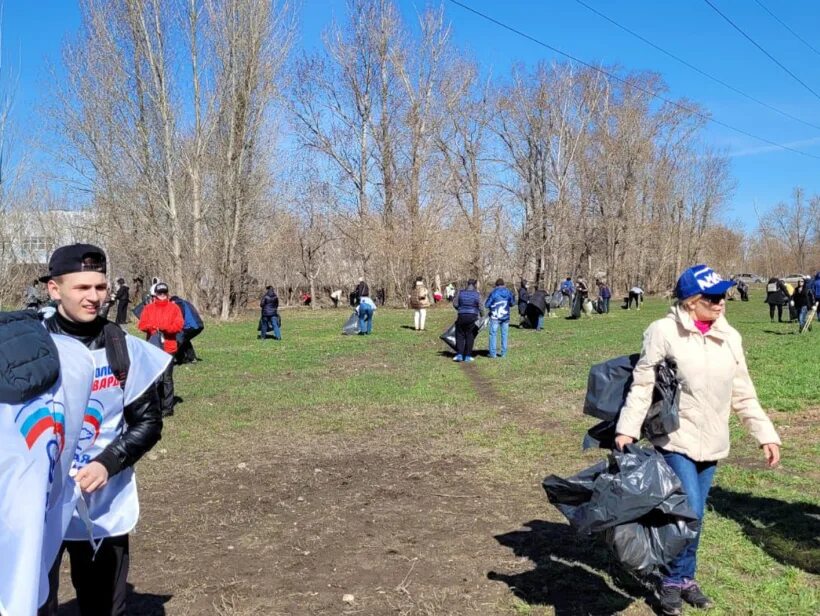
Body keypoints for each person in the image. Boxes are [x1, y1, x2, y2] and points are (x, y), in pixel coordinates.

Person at [614, 264, 781, 616]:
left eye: (724, 296)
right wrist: (626, 427)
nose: (722, 303)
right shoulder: (663, 331)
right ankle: (671, 581)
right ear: (691, 301)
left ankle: (685, 576)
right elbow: (643, 383)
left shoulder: (730, 337)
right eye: (714, 297)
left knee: (695, 513)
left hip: (714, 441)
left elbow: (743, 393)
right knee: (687, 509)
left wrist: (765, 434)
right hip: (676, 437)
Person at [39, 243, 170, 616]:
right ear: (55, 289)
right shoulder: (31, 345)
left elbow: (149, 422)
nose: (94, 297)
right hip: (40, 501)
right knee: (31, 603)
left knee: (103, 606)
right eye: (82, 288)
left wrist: (108, 463)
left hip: (101, 500)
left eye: (100, 287)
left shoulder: (123, 348)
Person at [137, 282, 184, 417]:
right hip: (153, 346)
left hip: (169, 346)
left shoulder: (174, 308)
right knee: (155, 377)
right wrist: (153, 327)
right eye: (159, 293)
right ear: (155, 294)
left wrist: (165, 328)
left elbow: (179, 325)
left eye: (164, 293)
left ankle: (168, 407)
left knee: (167, 377)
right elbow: (142, 325)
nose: (162, 295)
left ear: (167, 294)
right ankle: (155, 405)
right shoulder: (149, 308)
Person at [452, 279, 482, 362]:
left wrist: (459, 309)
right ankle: (468, 356)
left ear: (467, 284)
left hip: (461, 315)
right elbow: (481, 307)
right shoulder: (477, 294)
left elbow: (455, 303)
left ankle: (459, 354)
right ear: (474, 285)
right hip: (473, 316)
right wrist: (482, 316)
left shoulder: (460, 293)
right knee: (470, 335)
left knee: (460, 335)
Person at [485, 278, 514, 358]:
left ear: (496, 285)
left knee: (493, 334)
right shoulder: (508, 292)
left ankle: (493, 354)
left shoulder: (493, 293)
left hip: (495, 317)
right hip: (505, 317)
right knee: (504, 335)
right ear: (503, 284)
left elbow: (487, 305)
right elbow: (512, 303)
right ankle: (504, 353)